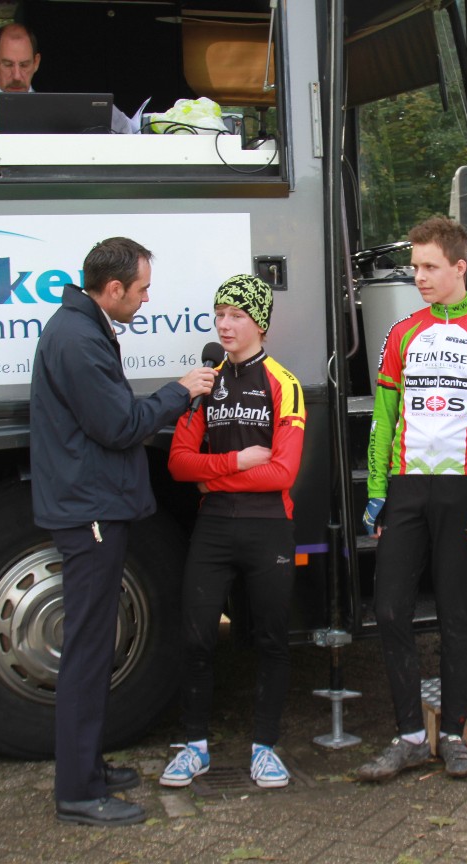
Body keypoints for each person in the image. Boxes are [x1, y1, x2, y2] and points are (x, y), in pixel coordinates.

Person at [30, 236, 216, 827]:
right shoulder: (79, 339)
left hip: (89, 503)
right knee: (88, 652)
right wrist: (180, 392)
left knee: (92, 646)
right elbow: (119, 424)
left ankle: (88, 767)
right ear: (113, 289)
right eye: (141, 289)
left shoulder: (81, 328)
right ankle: (78, 792)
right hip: (90, 510)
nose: (145, 299)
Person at [355, 216, 467, 782]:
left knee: (457, 612)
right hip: (406, 487)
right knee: (389, 609)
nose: (419, 277)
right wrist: (377, 490)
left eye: (430, 267)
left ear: (460, 266)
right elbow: (382, 421)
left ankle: (453, 731)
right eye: (415, 267)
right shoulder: (401, 333)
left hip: (465, 488)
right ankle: (408, 735)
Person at [159, 274, 306, 791]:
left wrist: (211, 475)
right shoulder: (204, 384)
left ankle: (265, 748)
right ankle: (194, 747)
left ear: (260, 323)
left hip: (269, 525)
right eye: (219, 314)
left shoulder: (284, 383)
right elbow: (178, 464)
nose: (224, 324)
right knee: (196, 636)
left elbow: (283, 472)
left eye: (236, 315)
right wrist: (238, 461)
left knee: (271, 640)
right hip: (215, 526)